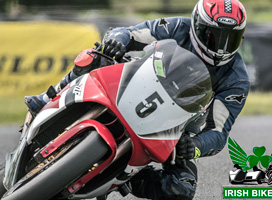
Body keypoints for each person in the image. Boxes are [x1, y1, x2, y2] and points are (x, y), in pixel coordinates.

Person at [16, 0, 249, 199]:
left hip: (178, 126)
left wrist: (196, 147)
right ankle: (46, 97)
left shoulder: (236, 78)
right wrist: (118, 40)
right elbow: (130, 32)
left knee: (181, 189)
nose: (221, 47)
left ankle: (132, 178)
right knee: (94, 56)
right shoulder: (179, 26)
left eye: (231, 38)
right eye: (213, 36)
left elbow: (218, 133)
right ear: (198, 25)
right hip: (138, 82)